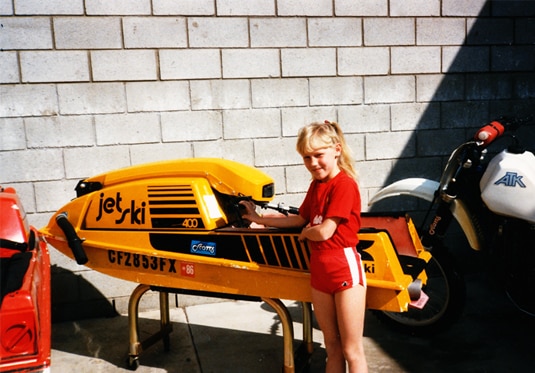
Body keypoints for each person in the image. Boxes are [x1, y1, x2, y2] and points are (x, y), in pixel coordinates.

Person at [240, 120, 368, 373]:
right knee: (331, 346)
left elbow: (324, 231)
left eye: (319, 155)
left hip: (344, 270)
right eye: (306, 157)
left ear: (337, 149)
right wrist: (258, 219)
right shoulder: (316, 185)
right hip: (319, 271)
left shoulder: (344, 184)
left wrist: (305, 234)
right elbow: (299, 218)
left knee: (352, 350)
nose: (313, 163)